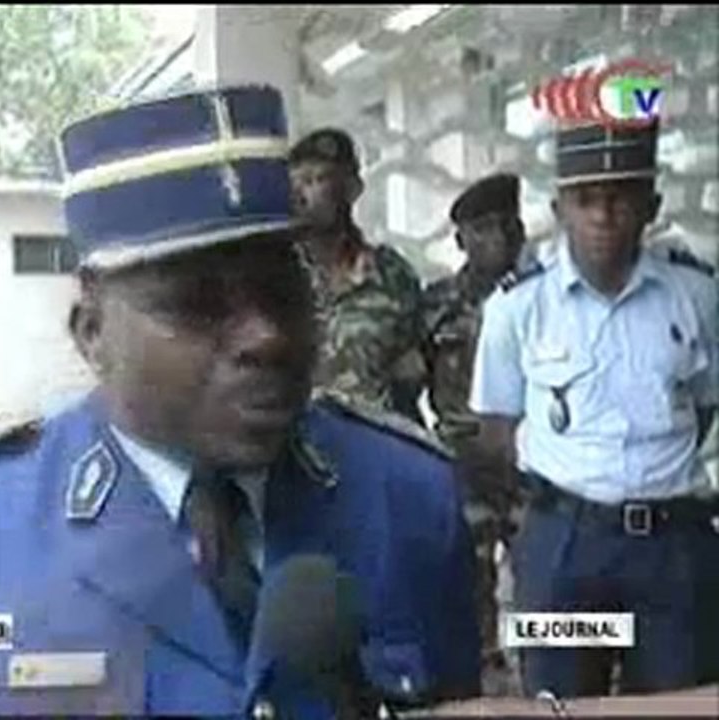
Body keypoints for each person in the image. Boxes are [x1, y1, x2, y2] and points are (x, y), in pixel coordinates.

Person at [0, 85, 481, 716]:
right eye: (196, 304)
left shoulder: (409, 497)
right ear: (92, 332)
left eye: (285, 291)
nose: (265, 336)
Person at [469, 118, 719, 698]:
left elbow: (706, 406)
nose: (603, 216)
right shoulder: (516, 306)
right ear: (559, 211)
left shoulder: (698, 295)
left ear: (651, 207)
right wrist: (543, 519)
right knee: (560, 704)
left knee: (677, 704)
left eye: (620, 199)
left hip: (672, 553)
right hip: (562, 553)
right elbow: (495, 430)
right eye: (585, 201)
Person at [421, 173, 528, 683]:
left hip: (534, 462)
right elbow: (409, 378)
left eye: (509, 225)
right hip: (462, 462)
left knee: (547, 578)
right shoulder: (435, 304)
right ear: (461, 240)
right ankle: (483, 676)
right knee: (467, 579)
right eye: (484, 228)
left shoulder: (546, 297)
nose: (500, 238)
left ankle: (551, 674)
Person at [289, 128, 427, 425]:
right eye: (295, 183)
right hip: (299, 444)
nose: (301, 195)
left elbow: (412, 372)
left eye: (316, 180)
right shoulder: (276, 276)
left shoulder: (391, 276)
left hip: (377, 440)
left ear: (352, 188)